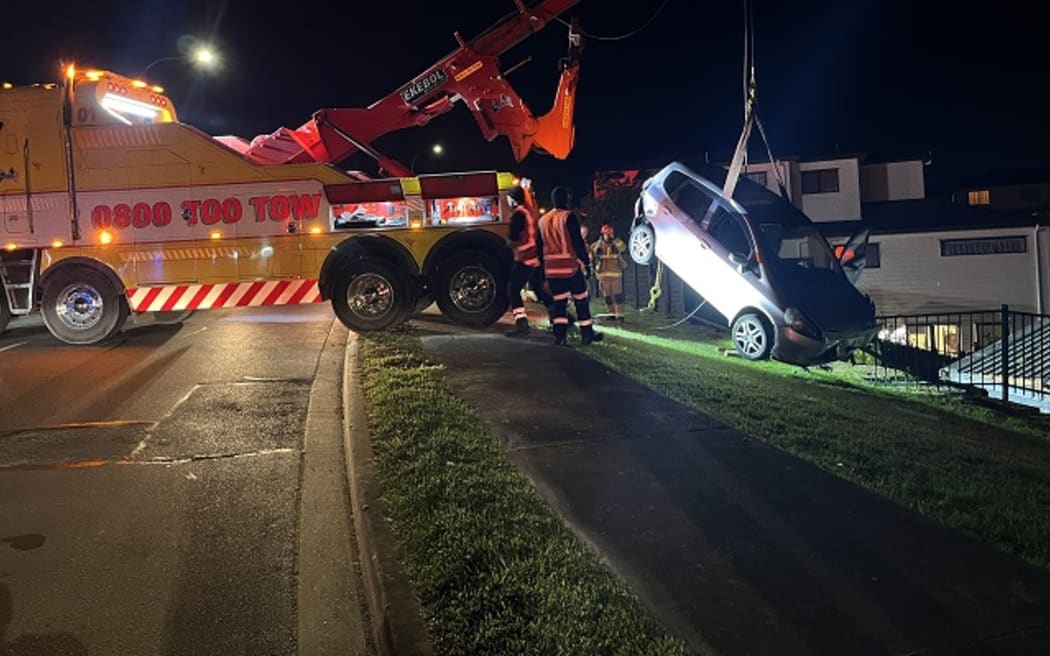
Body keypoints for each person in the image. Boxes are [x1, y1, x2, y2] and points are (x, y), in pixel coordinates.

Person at [536, 186, 603, 346]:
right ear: (566, 200)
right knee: (581, 300)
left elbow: (539, 248)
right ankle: (587, 334)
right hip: (570, 269)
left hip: (552, 271)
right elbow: (577, 242)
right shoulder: (568, 217)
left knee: (559, 304)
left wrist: (542, 272)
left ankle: (560, 337)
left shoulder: (542, 220)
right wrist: (586, 263)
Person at [504, 183, 554, 337]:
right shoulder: (529, 211)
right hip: (534, 257)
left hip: (524, 258)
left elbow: (513, 237)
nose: (507, 202)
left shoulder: (518, 214)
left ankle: (521, 324)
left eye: (508, 199)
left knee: (513, 290)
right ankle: (562, 317)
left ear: (513, 199)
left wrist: (507, 244)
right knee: (539, 291)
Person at [591, 223, 628, 322]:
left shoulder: (616, 243)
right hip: (603, 276)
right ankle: (611, 314)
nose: (609, 236)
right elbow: (591, 254)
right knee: (607, 297)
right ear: (603, 234)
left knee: (617, 296)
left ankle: (619, 315)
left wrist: (615, 239)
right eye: (607, 234)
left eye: (610, 234)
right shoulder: (597, 245)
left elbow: (623, 248)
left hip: (615, 275)